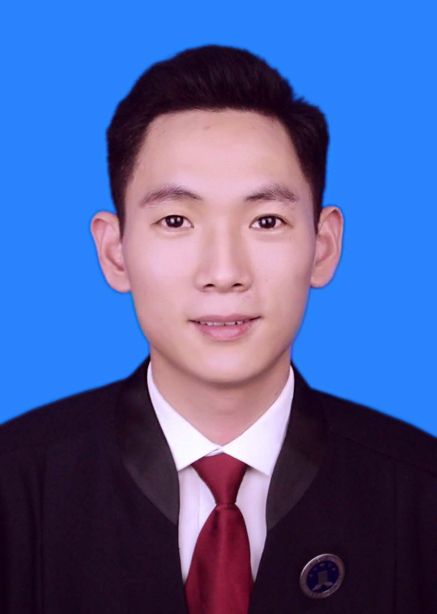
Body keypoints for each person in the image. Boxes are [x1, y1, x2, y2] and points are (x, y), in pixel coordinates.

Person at [1, 44, 436, 614]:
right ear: (115, 252)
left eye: (266, 220)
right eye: (176, 220)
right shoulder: (15, 488)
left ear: (323, 246)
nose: (224, 272)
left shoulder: (422, 493)